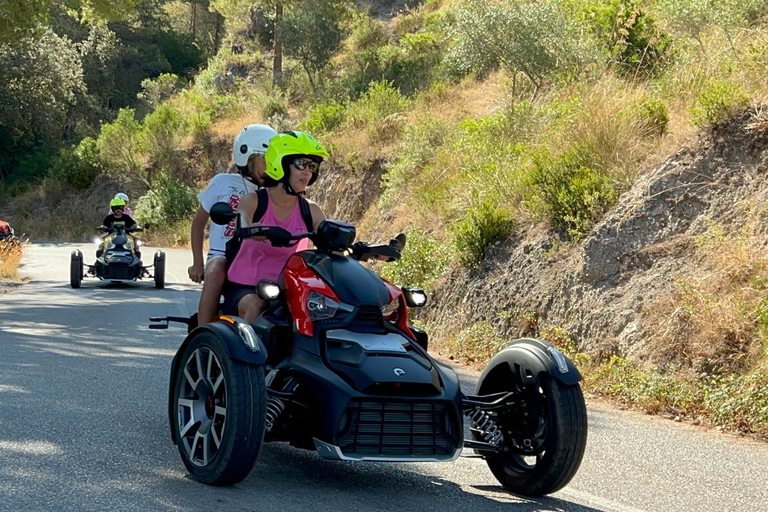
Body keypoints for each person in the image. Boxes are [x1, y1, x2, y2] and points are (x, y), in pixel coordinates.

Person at [224, 130, 328, 323]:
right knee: (256, 306)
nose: (307, 171)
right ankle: (249, 354)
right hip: (247, 287)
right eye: (300, 164)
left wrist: (361, 248)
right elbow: (243, 218)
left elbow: (330, 236)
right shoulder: (255, 200)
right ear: (279, 164)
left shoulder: (311, 210)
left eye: (312, 165)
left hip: (289, 289)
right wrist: (252, 229)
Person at [188, 123, 278, 325]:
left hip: (254, 256)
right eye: (264, 160)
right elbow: (198, 222)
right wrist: (197, 262)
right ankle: (204, 336)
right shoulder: (223, 182)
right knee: (216, 270)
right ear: (246, 157)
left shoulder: (276, 191)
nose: (270, 166)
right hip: (222, 254)